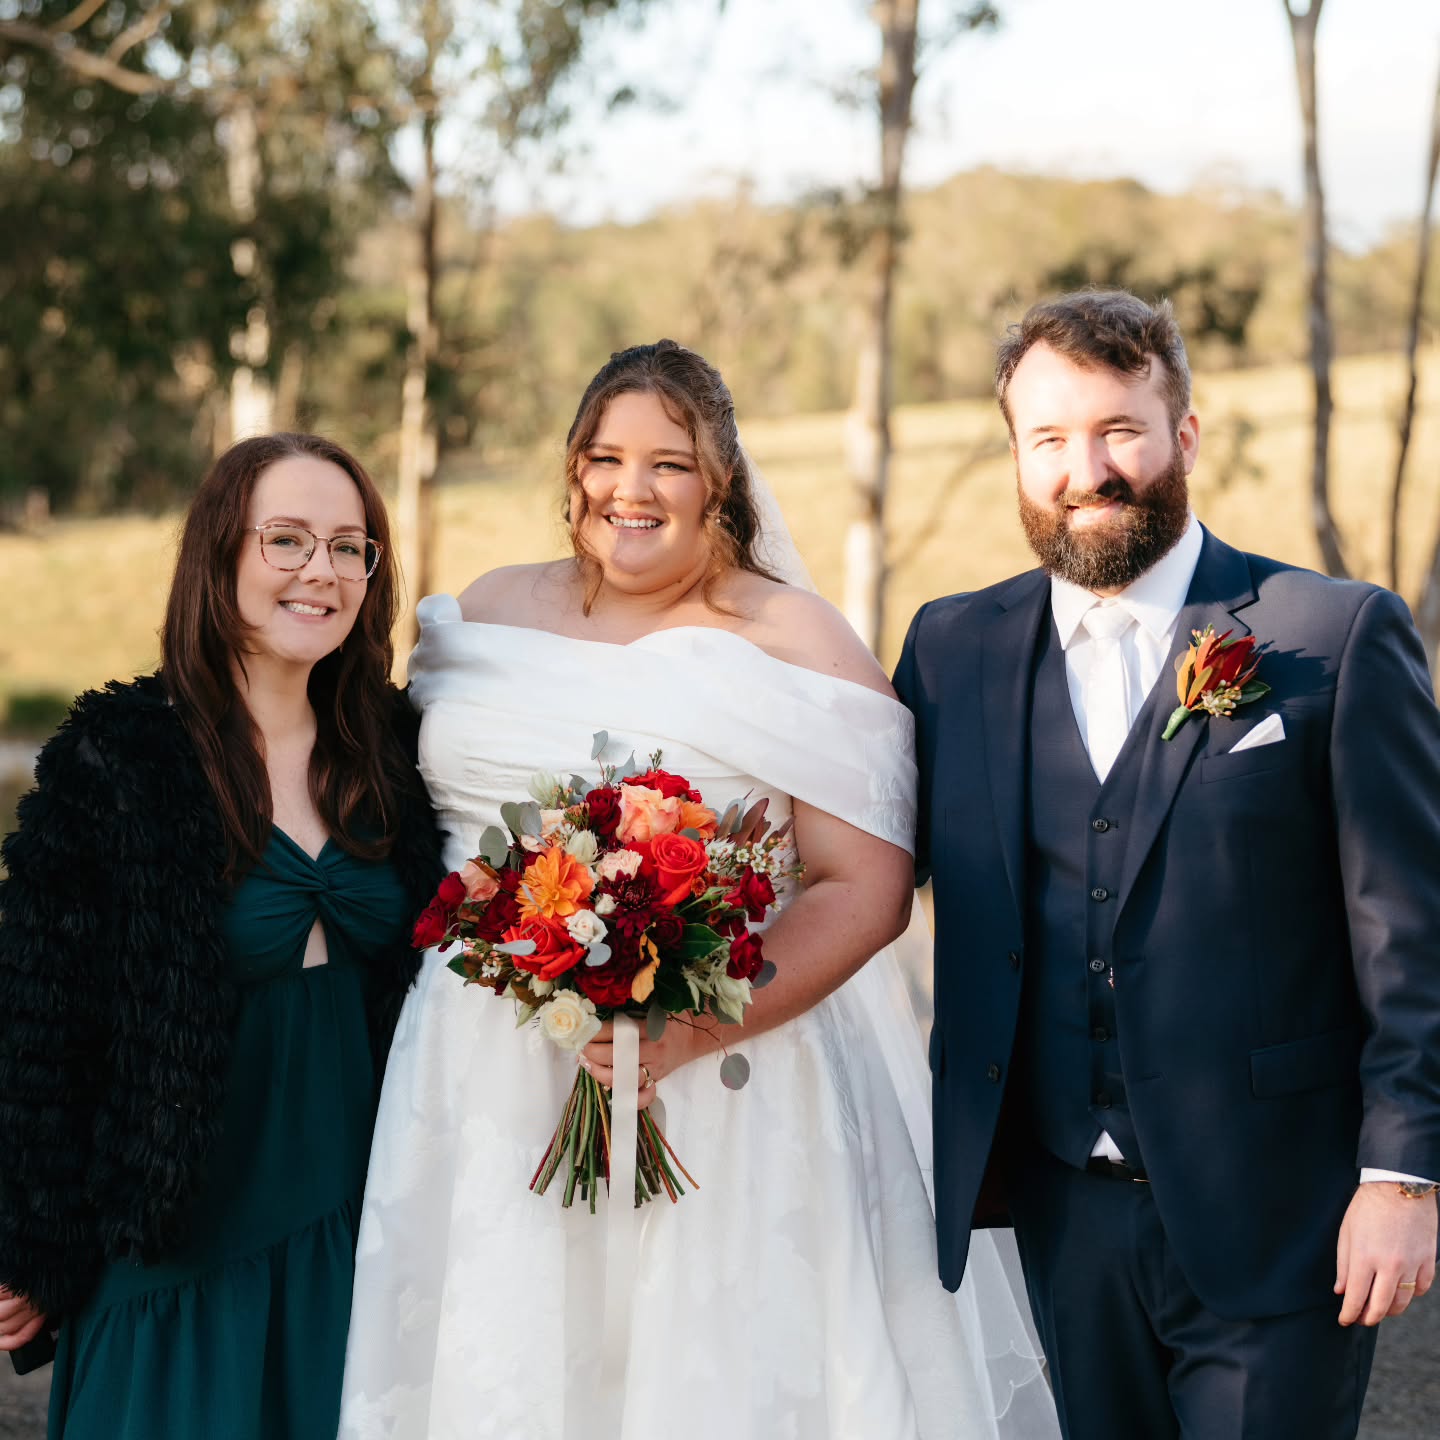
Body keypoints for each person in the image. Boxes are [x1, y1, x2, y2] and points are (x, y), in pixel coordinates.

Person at [340, 340, 1059, 1440]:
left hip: (726, 1080)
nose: (630, 489)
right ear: (572, 471)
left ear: (719, 483)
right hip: (480, 1075)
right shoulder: (484, 608)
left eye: (668, 464)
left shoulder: (794, 636)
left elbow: (866, 889)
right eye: (604, 457)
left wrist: (685, 1029)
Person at [893, 289, 1440, 1440]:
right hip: (1059, 1213)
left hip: (1282, 1209)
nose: (1085, 471)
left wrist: (1401, 1178)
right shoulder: (952, 648)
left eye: (1118, 432)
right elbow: (865, 862)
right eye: (1049, 439)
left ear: (1184, 435)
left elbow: (1411, 932)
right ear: (1015, 455)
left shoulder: (1333, 634)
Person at [0, 433, 442, 1439]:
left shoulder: (397, 750)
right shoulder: (120, 757)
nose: (321, 571)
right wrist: (27, 1240)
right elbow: (37, 1020)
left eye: (349, 546)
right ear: (221, 553)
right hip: (178, 1249)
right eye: (286, 539)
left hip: (367, 1238)